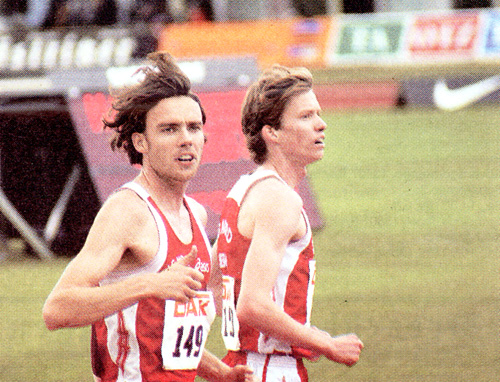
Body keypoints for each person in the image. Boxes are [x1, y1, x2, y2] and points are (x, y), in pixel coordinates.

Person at [43, 52, 256, 382]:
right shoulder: (127, 211)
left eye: (193, 127)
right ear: (140, 141)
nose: (186, 138)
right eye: (169, 129)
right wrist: (148, 284)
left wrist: (220, 373)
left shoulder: (195, 213)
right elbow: (57, 309)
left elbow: (167, 332)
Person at [215, 64, 364, 381]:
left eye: (318, 114)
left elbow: (211, 284)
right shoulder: (280, 199)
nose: (321, 125)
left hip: (241, 363)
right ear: (273, 133)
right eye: (306, 116)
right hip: (269, 368)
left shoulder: (243, 190)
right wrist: (326, 344)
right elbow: (252, 305)